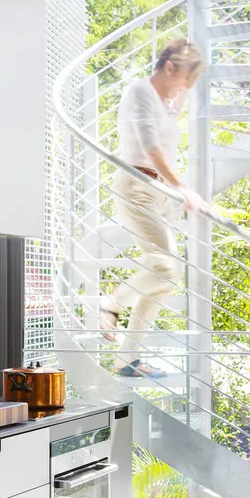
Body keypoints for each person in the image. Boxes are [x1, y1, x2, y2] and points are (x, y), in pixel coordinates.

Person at [99, 38, 207, 378]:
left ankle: (127, 360)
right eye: (184, 78)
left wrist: (187, 83)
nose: (186, 88)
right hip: (137, 185)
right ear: (169, 67)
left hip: (156, 192)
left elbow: (169, 119)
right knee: (164, 268)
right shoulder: (139, 92)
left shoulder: (165, 103)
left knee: (165, 279)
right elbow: (152, 147)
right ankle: (111, 303)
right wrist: (183, 189)